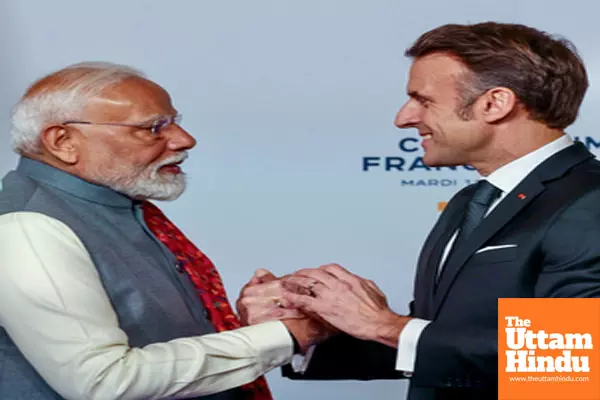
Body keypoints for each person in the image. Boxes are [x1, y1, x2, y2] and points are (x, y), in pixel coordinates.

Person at [238, 22, 600, 399]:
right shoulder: (474, 200)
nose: (404, 118)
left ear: (495, 104)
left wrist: (385, 325)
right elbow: (433, 342)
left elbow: (573, 358)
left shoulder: (589, 199)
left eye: (424, 101)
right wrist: (301, 334)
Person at [0, 62, 318, 400]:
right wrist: (285, 335)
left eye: (174, 123)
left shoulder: (118, 206)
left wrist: (258, 328)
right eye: (153, 128)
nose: (186, 140)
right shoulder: (27, 227)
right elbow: (106, 381)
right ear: (63, 141)